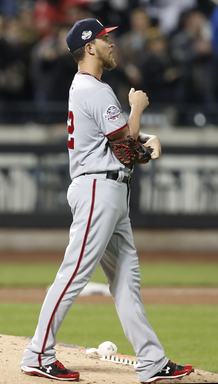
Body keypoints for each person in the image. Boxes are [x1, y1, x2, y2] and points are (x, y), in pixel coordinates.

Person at [20, 19, 194, 383]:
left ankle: (151, 360)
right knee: (74, 275)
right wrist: (138, 110)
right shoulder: (94, 90)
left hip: (109, 190)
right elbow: (128, 152)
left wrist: (146, 135)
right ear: (88, 48)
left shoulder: (90, 88)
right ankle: (37, 353)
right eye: (103, 38)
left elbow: (119, 140)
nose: (110, 42)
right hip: (99, 188)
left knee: (126, 281)